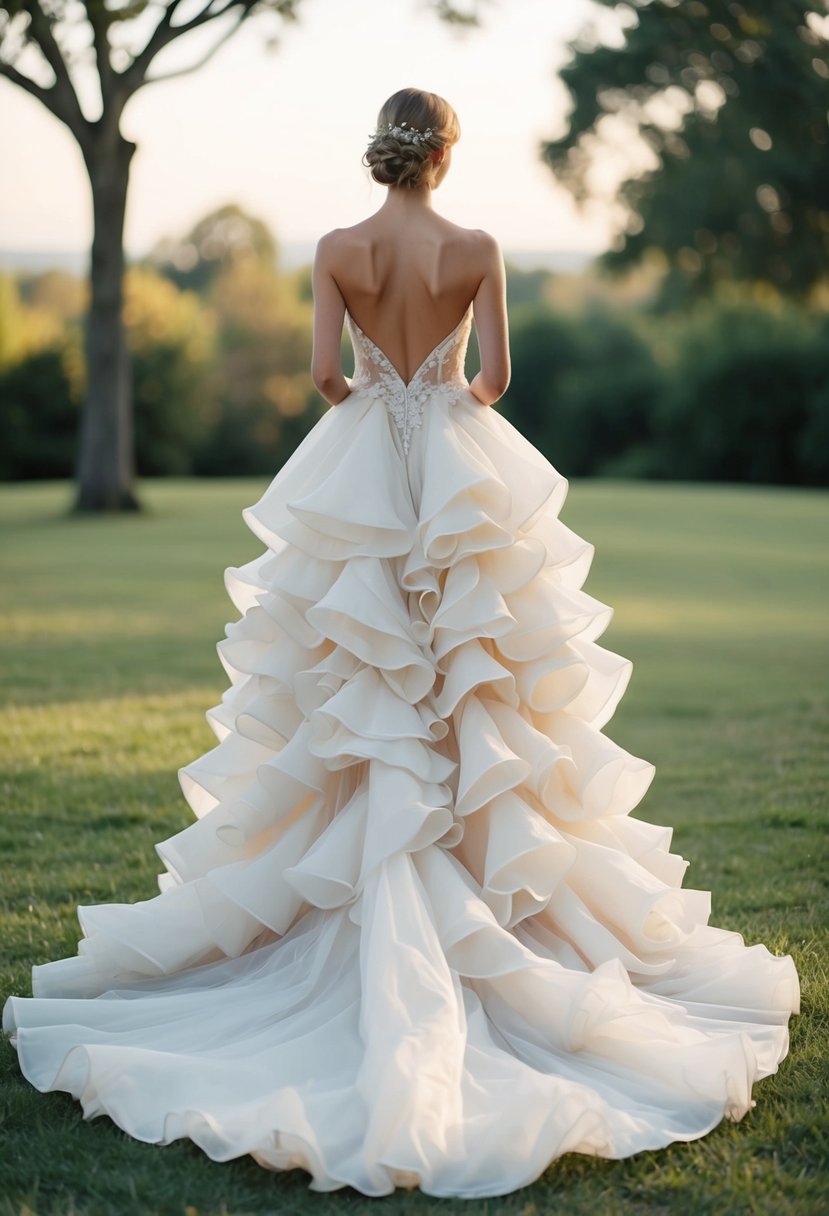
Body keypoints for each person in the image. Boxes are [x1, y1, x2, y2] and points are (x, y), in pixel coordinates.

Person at [3, 87, 800, 1200]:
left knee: (357, 681)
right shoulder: (476, 246)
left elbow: (326, 374)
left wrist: (381, 400)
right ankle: (480, 891)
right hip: (458, 465)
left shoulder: (336, 246)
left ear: (380, 151)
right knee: (479, 685)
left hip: (366, 461)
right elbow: (498, 379)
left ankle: (367, 880)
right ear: (447, 153)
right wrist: (449, 406)